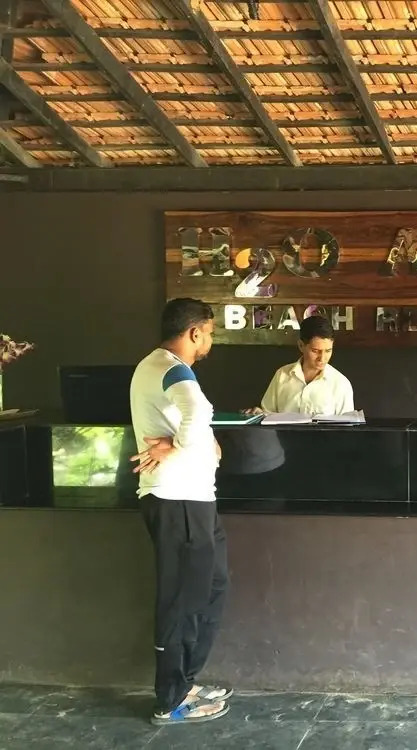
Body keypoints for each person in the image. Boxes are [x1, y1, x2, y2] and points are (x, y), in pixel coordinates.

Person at [129, 298, 232, 725]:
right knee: (183, 601)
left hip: (193, 499)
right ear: (194, 332)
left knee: (211, 587)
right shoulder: (172, 368)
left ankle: (185, 681)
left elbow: (192, 420)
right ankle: (170, 700)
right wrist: (183, 444)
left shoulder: (157, 366)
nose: (209, 341)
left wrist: (198, 443)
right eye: (209, 333)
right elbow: (199, 410)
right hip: (178, 501)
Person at [251, 314, 354, 416]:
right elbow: (267, 414)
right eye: (315, 351)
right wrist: (258, 414)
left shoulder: (341, 384)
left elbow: (347, 424)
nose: (322, 358)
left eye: (328, 351)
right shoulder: (282, 375)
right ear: (301, 346)